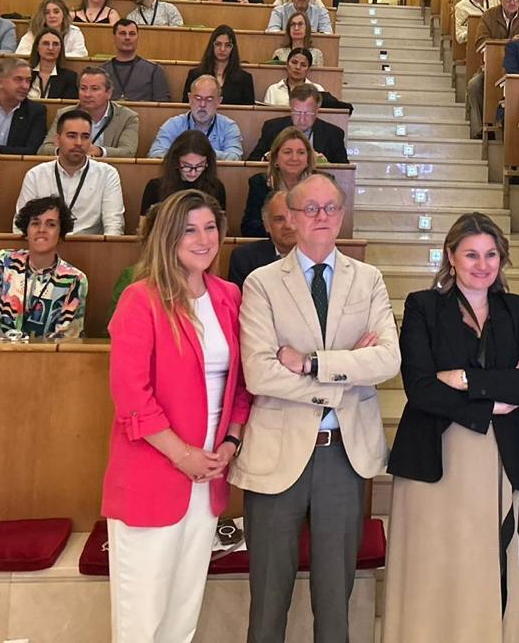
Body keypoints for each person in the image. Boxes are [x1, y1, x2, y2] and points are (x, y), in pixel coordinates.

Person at [232, 174, 400, 643]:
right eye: (310, 209)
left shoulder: (368, 279)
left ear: (342, 215)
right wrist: (345, 376)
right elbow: (260, 373)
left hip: (342, 454)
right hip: (276, 453)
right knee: (268, 602)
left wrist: (312, 364)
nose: (321, 217)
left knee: (334, 602)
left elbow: (388, 360)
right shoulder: (262, 283)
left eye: (330, 208)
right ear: (290, 217)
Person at [385, 213, 519, 643]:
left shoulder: (516, 309)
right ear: (450, 256)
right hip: (436, 456)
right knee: (436, 566)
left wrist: (465, 378)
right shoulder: (423, 306)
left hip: (502, 456)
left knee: (491, 561)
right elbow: (420, 387)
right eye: (471, 254)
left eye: (491, 255)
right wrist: (492, 401)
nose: (482, 264)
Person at [103, 188, 250, 643]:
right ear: (168, 236)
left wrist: (230, 443)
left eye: (210, 228)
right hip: (154, 473)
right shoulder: (140, 299)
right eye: (189, 230)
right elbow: (131, 397)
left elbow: (241, 385)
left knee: (183, 613)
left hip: (208, 476)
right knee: (141, 620)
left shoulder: (228, 296)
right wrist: (183, 455)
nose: (204, 239)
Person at [0, 196, 88, 339]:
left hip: (48, 353)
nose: (41, 229)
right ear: (26, 231)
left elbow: (67, 338)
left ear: (61, 234)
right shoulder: (4, 261)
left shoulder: (75, 279)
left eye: (51, 225)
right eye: (35, 223)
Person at [14, 109, 126, 235]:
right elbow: (20, 225)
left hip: (89, 245)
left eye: (85, 137)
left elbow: (114, 226)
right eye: (72, 136)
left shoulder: (107, 174)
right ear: (57, 140)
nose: (78, 143)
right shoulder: (36, 175)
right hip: (45, 243)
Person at [467, 0, 519, 139]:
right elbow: (480, 42)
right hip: (492, 66)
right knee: (474, 85)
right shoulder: (489, 15)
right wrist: (509, 42)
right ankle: (485, 126)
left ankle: (514, 131)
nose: (512, 2)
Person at [42, 66, 141, 158]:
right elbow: (44, 149)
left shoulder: (127, 117)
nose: (87, 94)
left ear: (109, 93)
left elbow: (128, 152)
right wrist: (64, 150)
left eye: (94, 89)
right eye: (83, 88)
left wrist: (99, 151)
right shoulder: (65, 114)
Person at [240, 127, 316, 237]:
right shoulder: (260, 183)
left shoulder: (320, 184)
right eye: (287, 152)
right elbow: (249, 227)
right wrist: (282, 234)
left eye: (301, 152)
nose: (294, 158)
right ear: (275, 158)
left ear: (308, 159)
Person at [249, 85, 350, 165]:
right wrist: (267, 157)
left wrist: (326, 164)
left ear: (317, 109)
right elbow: (252, 161)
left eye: (308, 113)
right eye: (297, 112)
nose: (302, 119)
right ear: (290, 108)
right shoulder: (272, 127)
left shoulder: (333, 134)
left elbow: (344, 172)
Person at [139, 130, 227, 220]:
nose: (193, 173)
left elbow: (221, 224)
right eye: (186, 166)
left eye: (199, 166)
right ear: (176, 162)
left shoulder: (216, 187)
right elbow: (144, 226)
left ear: (208, 163)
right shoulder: (155, 187)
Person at [150, 75, 242, 160]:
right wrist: (188, 154)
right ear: (189, 98)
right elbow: (155, 154)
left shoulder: (228, 126)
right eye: (198, 98)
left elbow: (235, 157)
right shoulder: (173, 124)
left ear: (219, 101)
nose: (202, 104)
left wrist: (200, 152)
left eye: (209, 99)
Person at [227, 189, 296, 288]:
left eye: (294, 218)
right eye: (279, 219)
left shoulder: (318, 257)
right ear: (266, 225)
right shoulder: (245, 259)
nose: (288, 226)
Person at [182, 25, 255, 106]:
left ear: (233, 49)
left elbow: (248, 111)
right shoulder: (195, 75)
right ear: (212, 46)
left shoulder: (245, 79)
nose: (222, 49)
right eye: (218, 44)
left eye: (228, 45)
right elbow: (186, 106)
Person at [102, 20, 171, 103]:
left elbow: (162, 104)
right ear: (113, 38)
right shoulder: (101, 71)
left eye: (132, 34)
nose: (127, 37)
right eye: (122, 33)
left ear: (138, 38)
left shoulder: (154, 70)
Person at [16, 0, 88, 59]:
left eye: (56, 12)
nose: (52, 16)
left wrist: (54, 56)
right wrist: (46, 56)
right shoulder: (35, 31)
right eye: (47, 12)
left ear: (64, 14)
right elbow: (20, 53)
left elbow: (81, 53)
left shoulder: (74, 32)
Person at [26, 29, 78, 101]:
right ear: (37, 47)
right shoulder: (26, 73)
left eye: (55, 44)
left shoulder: (70, 78)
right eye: (46, 43)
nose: (50, 48)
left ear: (61, 49)